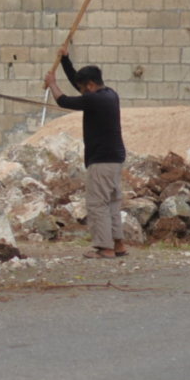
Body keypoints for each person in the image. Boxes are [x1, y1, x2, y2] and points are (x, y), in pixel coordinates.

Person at [44, 44, 128, 259]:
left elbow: (63, 100)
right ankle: (118, 244)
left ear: (90, 85)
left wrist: (52, 84)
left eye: (82, 88)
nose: (80, 90)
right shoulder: (110, 95)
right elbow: (76, 84)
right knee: (112, 203)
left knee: (97, 204)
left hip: (101, 160)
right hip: (115, 159)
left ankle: (105, 248)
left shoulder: (94, 99)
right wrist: (65, 60)